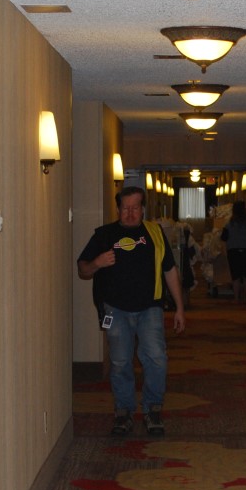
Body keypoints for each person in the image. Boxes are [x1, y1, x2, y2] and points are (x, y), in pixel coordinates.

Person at [78, 187, 186, 436]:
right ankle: (124, 411)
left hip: (150, 308)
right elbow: (83, 269)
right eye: (125, 208)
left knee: (156, 358)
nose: (130, 213)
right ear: (118, 209)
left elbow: (170, 270)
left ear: (143, 209)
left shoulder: (155, 233)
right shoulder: (104, 235)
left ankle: (153, 408)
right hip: (115, 309)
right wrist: (97, 263)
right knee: (120, 361)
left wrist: (179, 307)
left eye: (135, 208)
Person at [220, 200, 246, 303]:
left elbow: (223, 239)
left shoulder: (229, 223)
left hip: (233, 251)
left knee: (235, 277)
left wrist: (225, 252)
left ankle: (236, 298)